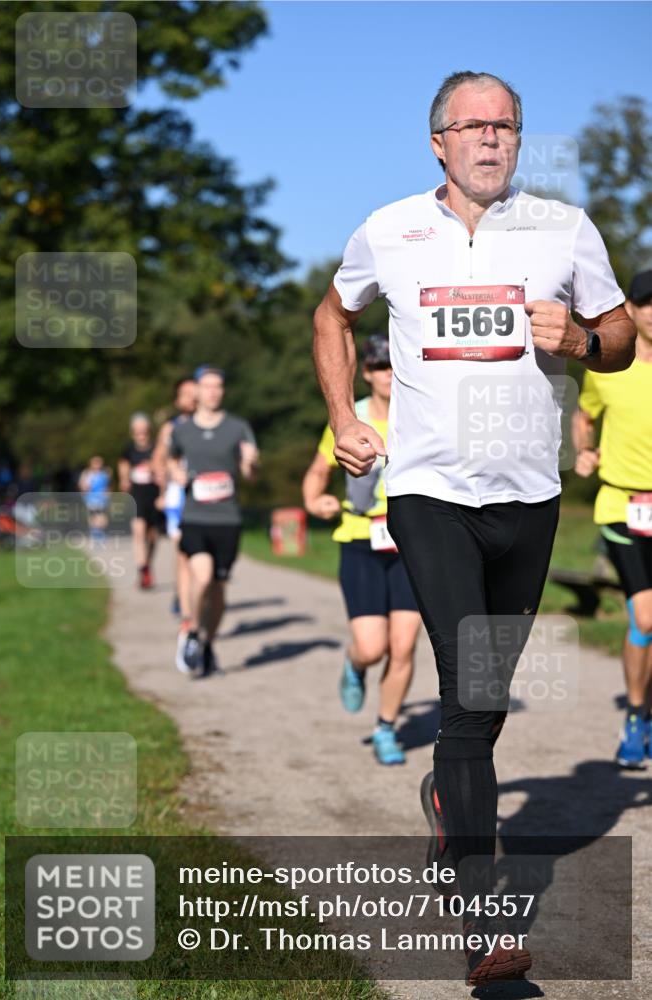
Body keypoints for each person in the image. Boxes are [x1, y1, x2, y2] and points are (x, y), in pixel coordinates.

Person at [312, 69, 636, 986]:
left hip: (529, 497)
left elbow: (616, 335)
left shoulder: (562, 230)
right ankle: (483, 916)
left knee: (481, 701)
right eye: (475, 126)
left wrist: (577, 339)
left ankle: (445, 800)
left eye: (508, 126)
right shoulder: (390, 231)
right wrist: (344, 418)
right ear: (438, 142)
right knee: (466, 688)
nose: (493, 139)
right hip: (425, 492)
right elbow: (332, 316)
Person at [302, 333, 422, 765]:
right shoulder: (352, 419)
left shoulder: (422, 415)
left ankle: (386, 727)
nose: (387, 374)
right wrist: (317, 501)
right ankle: (355, 665)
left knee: (403, 646)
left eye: (393, 365)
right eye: (378, 367)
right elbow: (317, 473)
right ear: (367, 373)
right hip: (360, 539)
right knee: (373, 648)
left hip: (413, 544)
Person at [574, 269, 652, 768]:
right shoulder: (609, 365)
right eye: (646, 304)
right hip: (621, 506)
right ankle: (636, 716)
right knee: (644, 616)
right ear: (632, 309)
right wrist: (585, 451)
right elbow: (583, 415)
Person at [169, 365, 259, 677]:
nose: (213, 391)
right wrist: (175, 473)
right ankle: (192, 631)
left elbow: (250, 474)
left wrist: (250, 464)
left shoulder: (238, 428)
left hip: (227, 519)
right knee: (202, 575)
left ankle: (208, 645)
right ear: (196, 390)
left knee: (219, 588)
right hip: (194, 516)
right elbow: (168, 459)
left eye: (218, 386)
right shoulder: (181, 430)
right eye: (207, 386)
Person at [151, 377, 197, 618]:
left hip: (204, 496)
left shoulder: (212, 425)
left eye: (195, 391)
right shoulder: (170, 428)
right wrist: (164, 484)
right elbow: (157, 461)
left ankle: (196, 594)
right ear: (178, 400)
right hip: (178, 496)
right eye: (186, 393)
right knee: (183, 549)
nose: (192, 397)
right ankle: (183, 596)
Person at [118, 413, 162, 589]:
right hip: (137, 494)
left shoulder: (156, 448)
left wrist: (155, 469)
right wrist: (124, 479)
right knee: (139, 532)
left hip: (154, 494)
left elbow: (162, 465)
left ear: (148, 430)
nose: (141, 433)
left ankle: (147, 564)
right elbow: (123, 465)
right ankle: (143, 569)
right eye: (137, 430)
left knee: (153, 536)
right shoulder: (129, 449)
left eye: (143, 430)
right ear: (132, 431)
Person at [78, 455, 112, 546]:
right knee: (94, 517)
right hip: (91, 498)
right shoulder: (87, 474)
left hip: (102, 498)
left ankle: (98, 532)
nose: (97, 464)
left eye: (99, 462)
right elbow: (82, 486)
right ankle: (97, 535)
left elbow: (107, 486)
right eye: (95, 462)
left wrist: (108, 493)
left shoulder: (105, 473)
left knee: (103, 519)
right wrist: (85, 489)